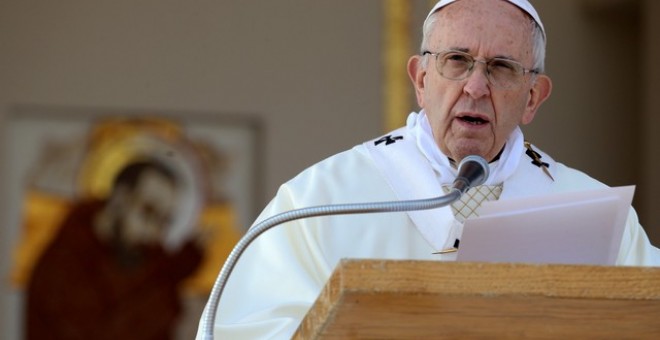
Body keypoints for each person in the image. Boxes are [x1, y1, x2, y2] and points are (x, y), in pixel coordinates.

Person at [197, 0, 660, 338]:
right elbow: (243, 329)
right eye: (457, 61)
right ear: (421, 79)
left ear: (534, 97)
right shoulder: (319, 202)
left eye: (501, 67)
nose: (476, 87)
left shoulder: (594, 214)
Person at [26, 159, 203, 340]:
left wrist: (185, 261)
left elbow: (152, 276)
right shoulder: (61, 267)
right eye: (148, 211)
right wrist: (168, 292)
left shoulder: (132, 250)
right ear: (120, 197)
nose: (153, 232)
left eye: (164, 221)